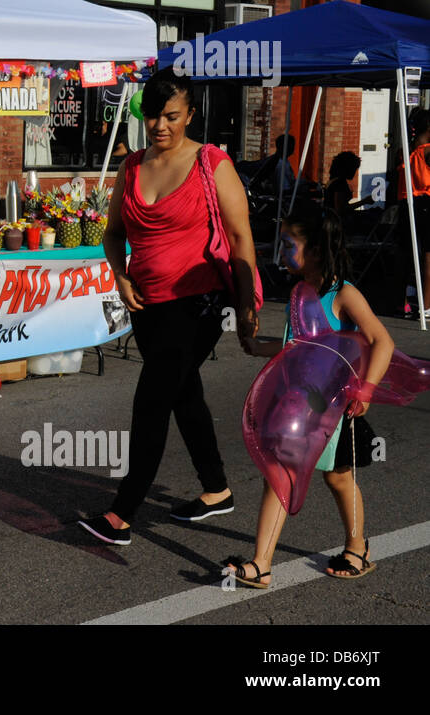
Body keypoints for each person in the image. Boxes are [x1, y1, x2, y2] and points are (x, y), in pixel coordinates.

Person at [78, 72, 258, 546]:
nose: (161, 125)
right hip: (147, 304)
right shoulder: (132, 166)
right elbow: (113, 234)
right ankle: (216, 488)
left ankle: (122, 514)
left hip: (199, 303)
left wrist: (246, 306)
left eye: (171, 116)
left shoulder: (211, 164)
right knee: (183, 392)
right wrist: (120, 276)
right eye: (153, 116)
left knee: (153, 398)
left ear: (190, 115)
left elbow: (241, 238)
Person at [225, 205, 391, 587]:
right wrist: (260, 348)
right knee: (278, 474)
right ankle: (261, 564)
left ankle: (357, 548)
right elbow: (298, 347)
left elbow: (382, 341)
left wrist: (366, 389)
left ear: (315, 250)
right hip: (297, 406)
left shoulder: (343, 294)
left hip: (336, 407)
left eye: (289, 245)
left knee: (338, 478)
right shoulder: (300, 293)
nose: (281, 253)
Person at [396, 108, 430, 317]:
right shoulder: (426, 151)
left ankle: (405, 302)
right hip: (425, 203)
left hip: (407, 205)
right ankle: (426, 306)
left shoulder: (405, 151)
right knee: (427, 257)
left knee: (407, 255)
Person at [323, 151, 372, 224]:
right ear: (347, 168)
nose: (355, 172)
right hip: (338, 224)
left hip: (331, 221)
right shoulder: (340, 183)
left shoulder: (333, 180)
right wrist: (364, 201)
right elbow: (340, 210)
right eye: (354, 169)